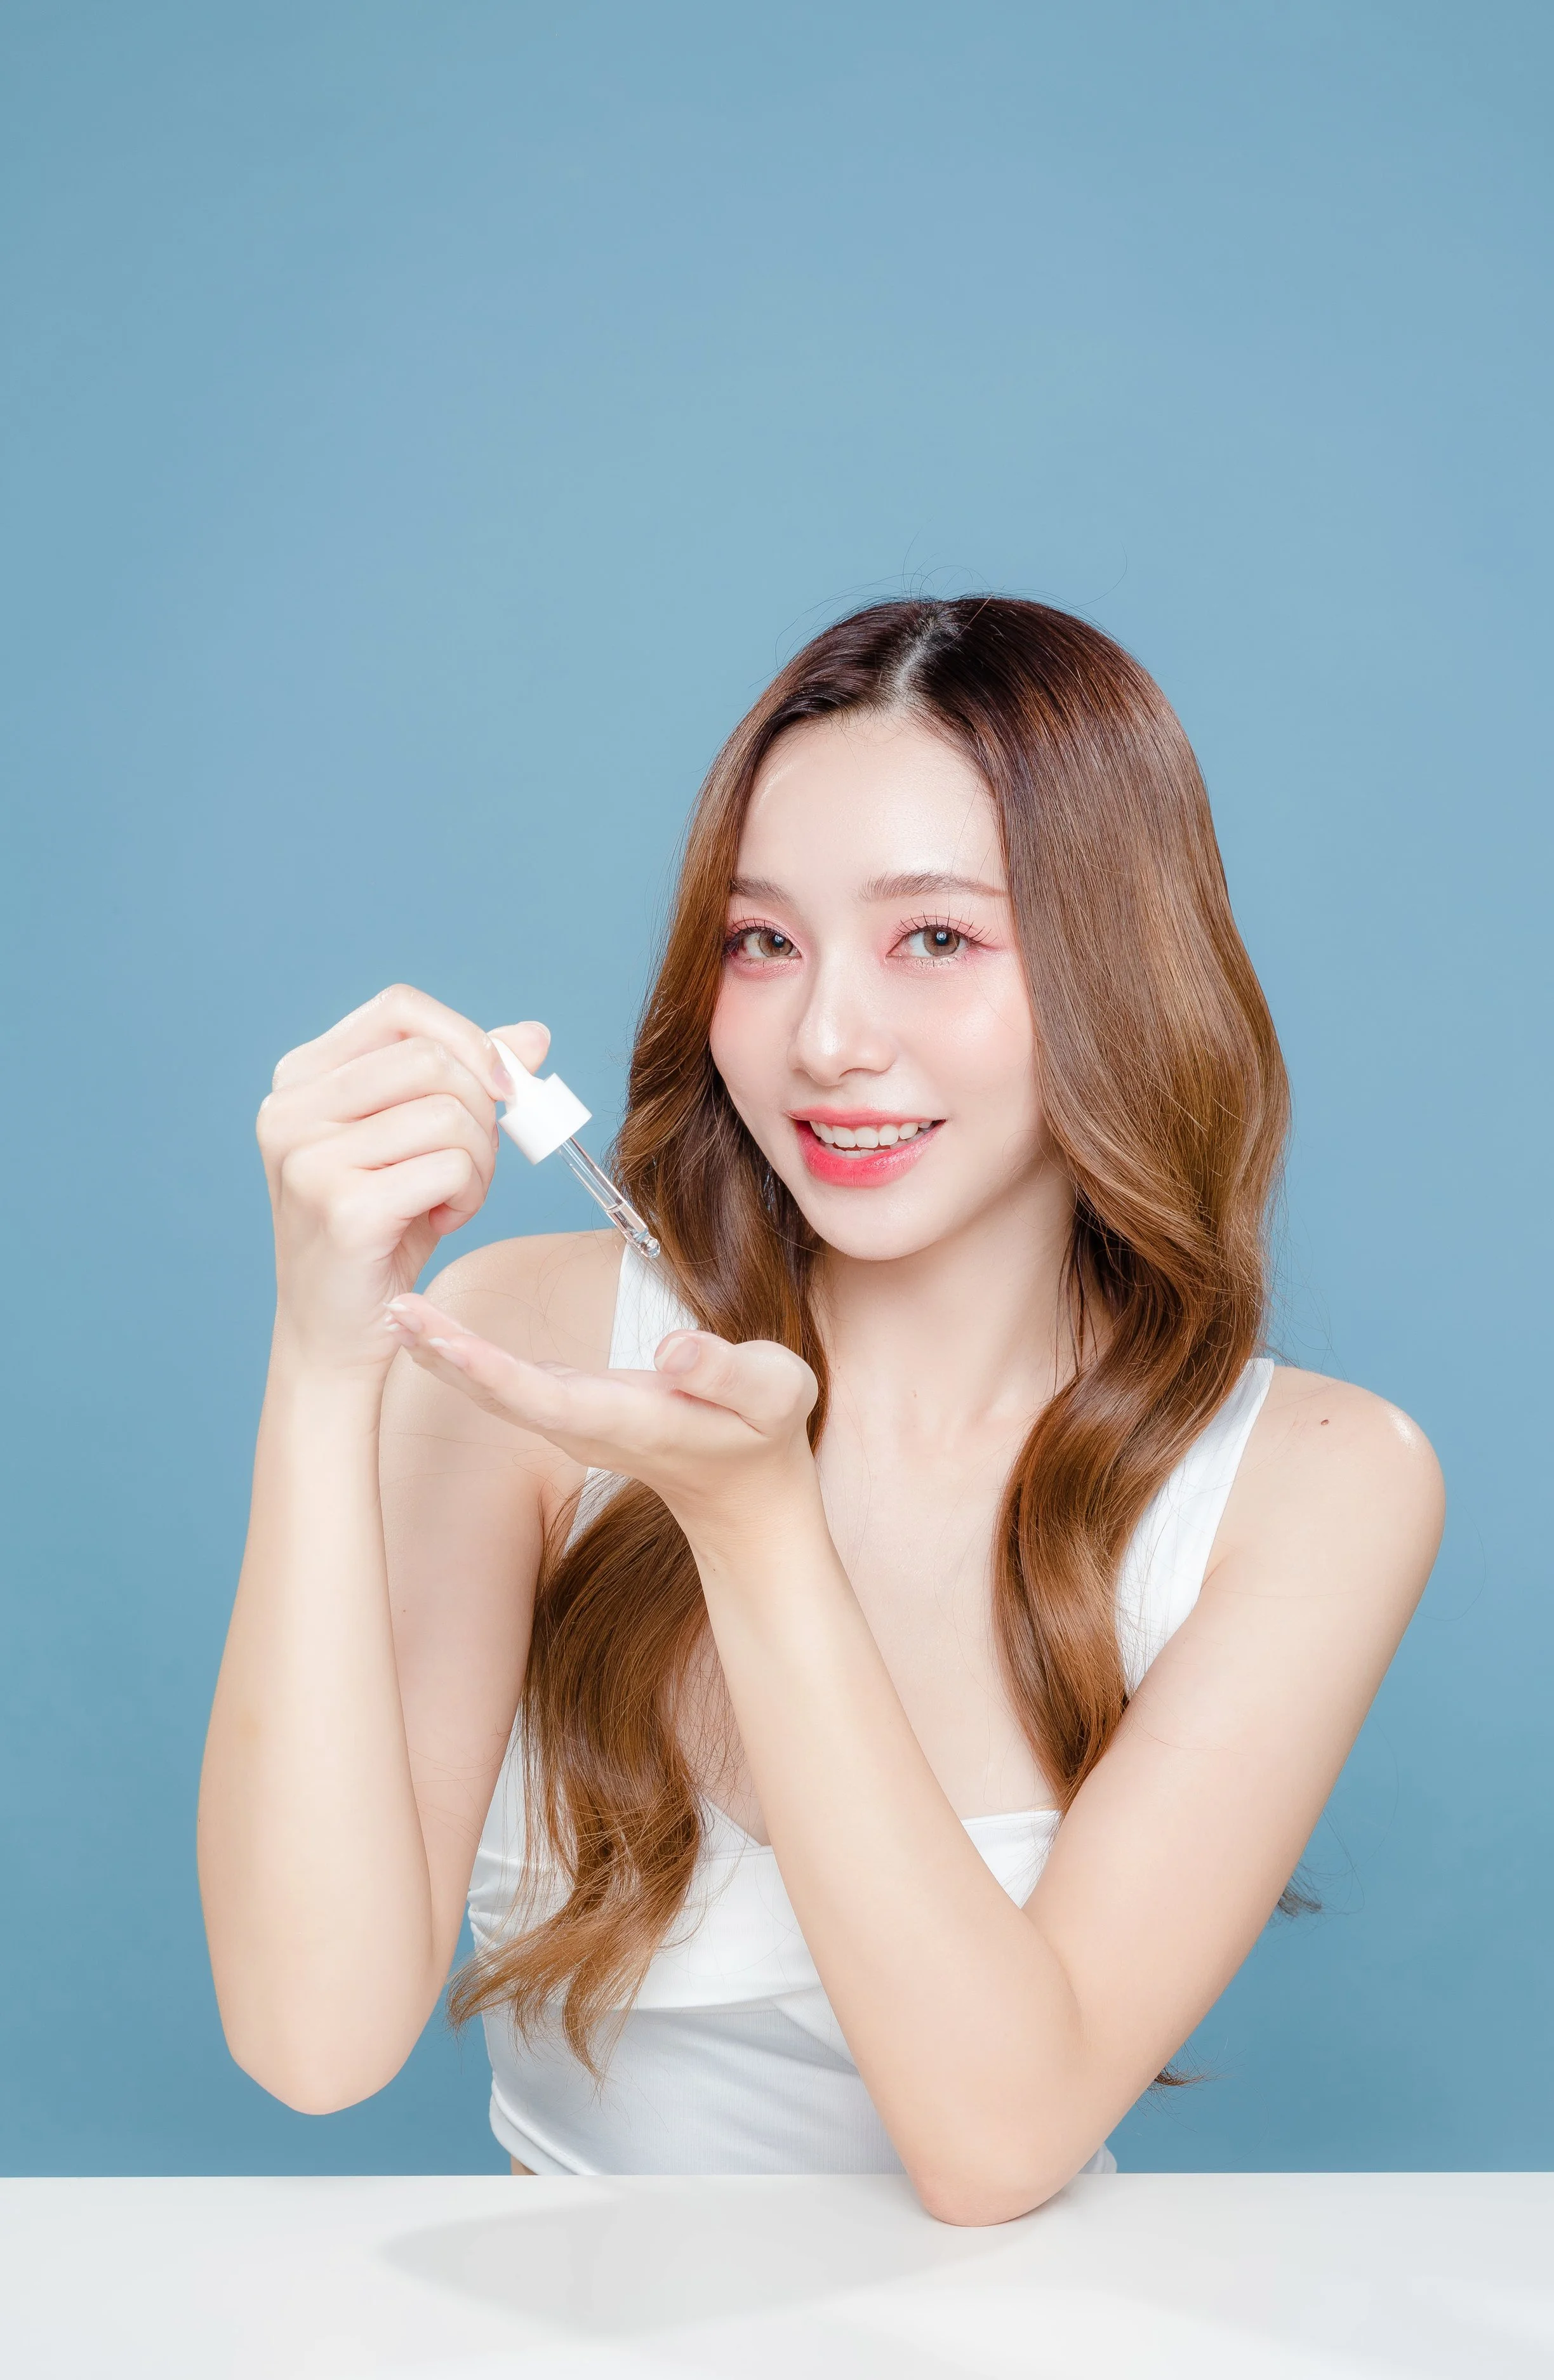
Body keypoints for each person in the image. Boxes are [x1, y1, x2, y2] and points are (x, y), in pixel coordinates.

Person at [198, 597, 1444, 2225]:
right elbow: (313, 2040)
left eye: (935, 937)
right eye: (760, 942)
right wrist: (321, 1356)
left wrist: (755, 1525)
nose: (827, 1042)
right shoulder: (532, 1345)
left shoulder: (1313, 1485)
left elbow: (995, 2144)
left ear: (1116, 963)